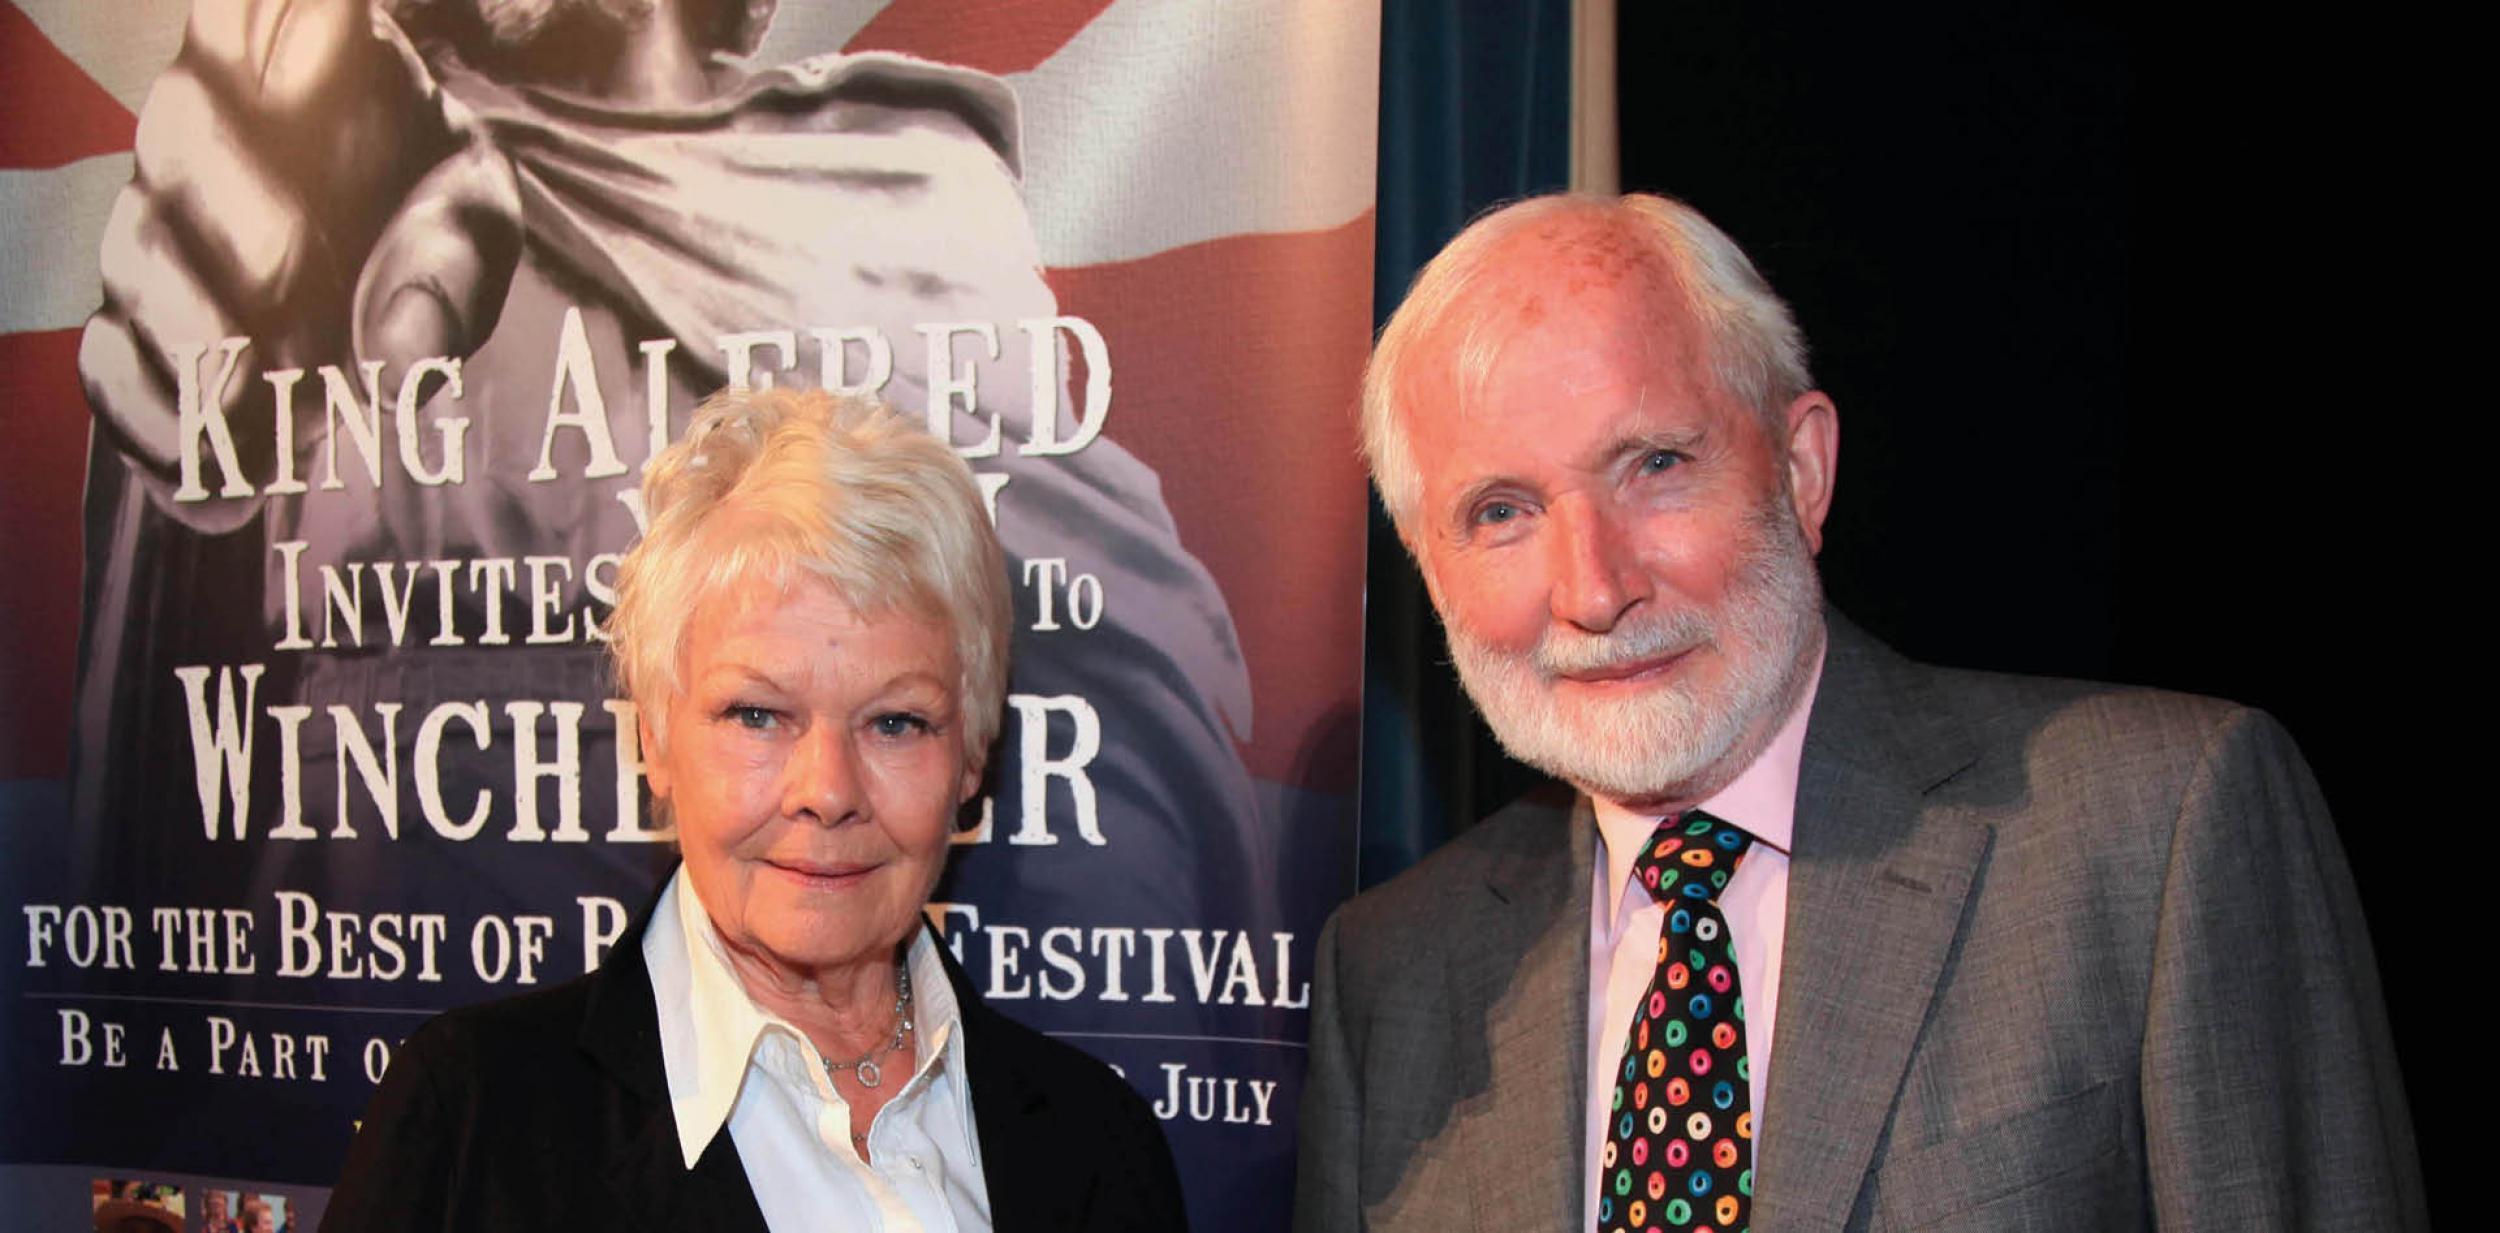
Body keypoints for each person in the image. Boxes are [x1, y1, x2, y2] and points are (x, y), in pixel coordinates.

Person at [1293, 193, 2424, 1231]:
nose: (1593, 589)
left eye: (1653, 464)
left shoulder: (2155, 830)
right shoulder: (1393, 974)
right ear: (1428, 571)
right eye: (1500, 511)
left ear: (1799, 469)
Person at [319, 387, 1186, 1231]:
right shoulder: (471, 1125)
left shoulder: (1101, 1143)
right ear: (655, 735)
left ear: (970, 757)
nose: (829, 790)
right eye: (758, 714)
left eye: (895, 721)